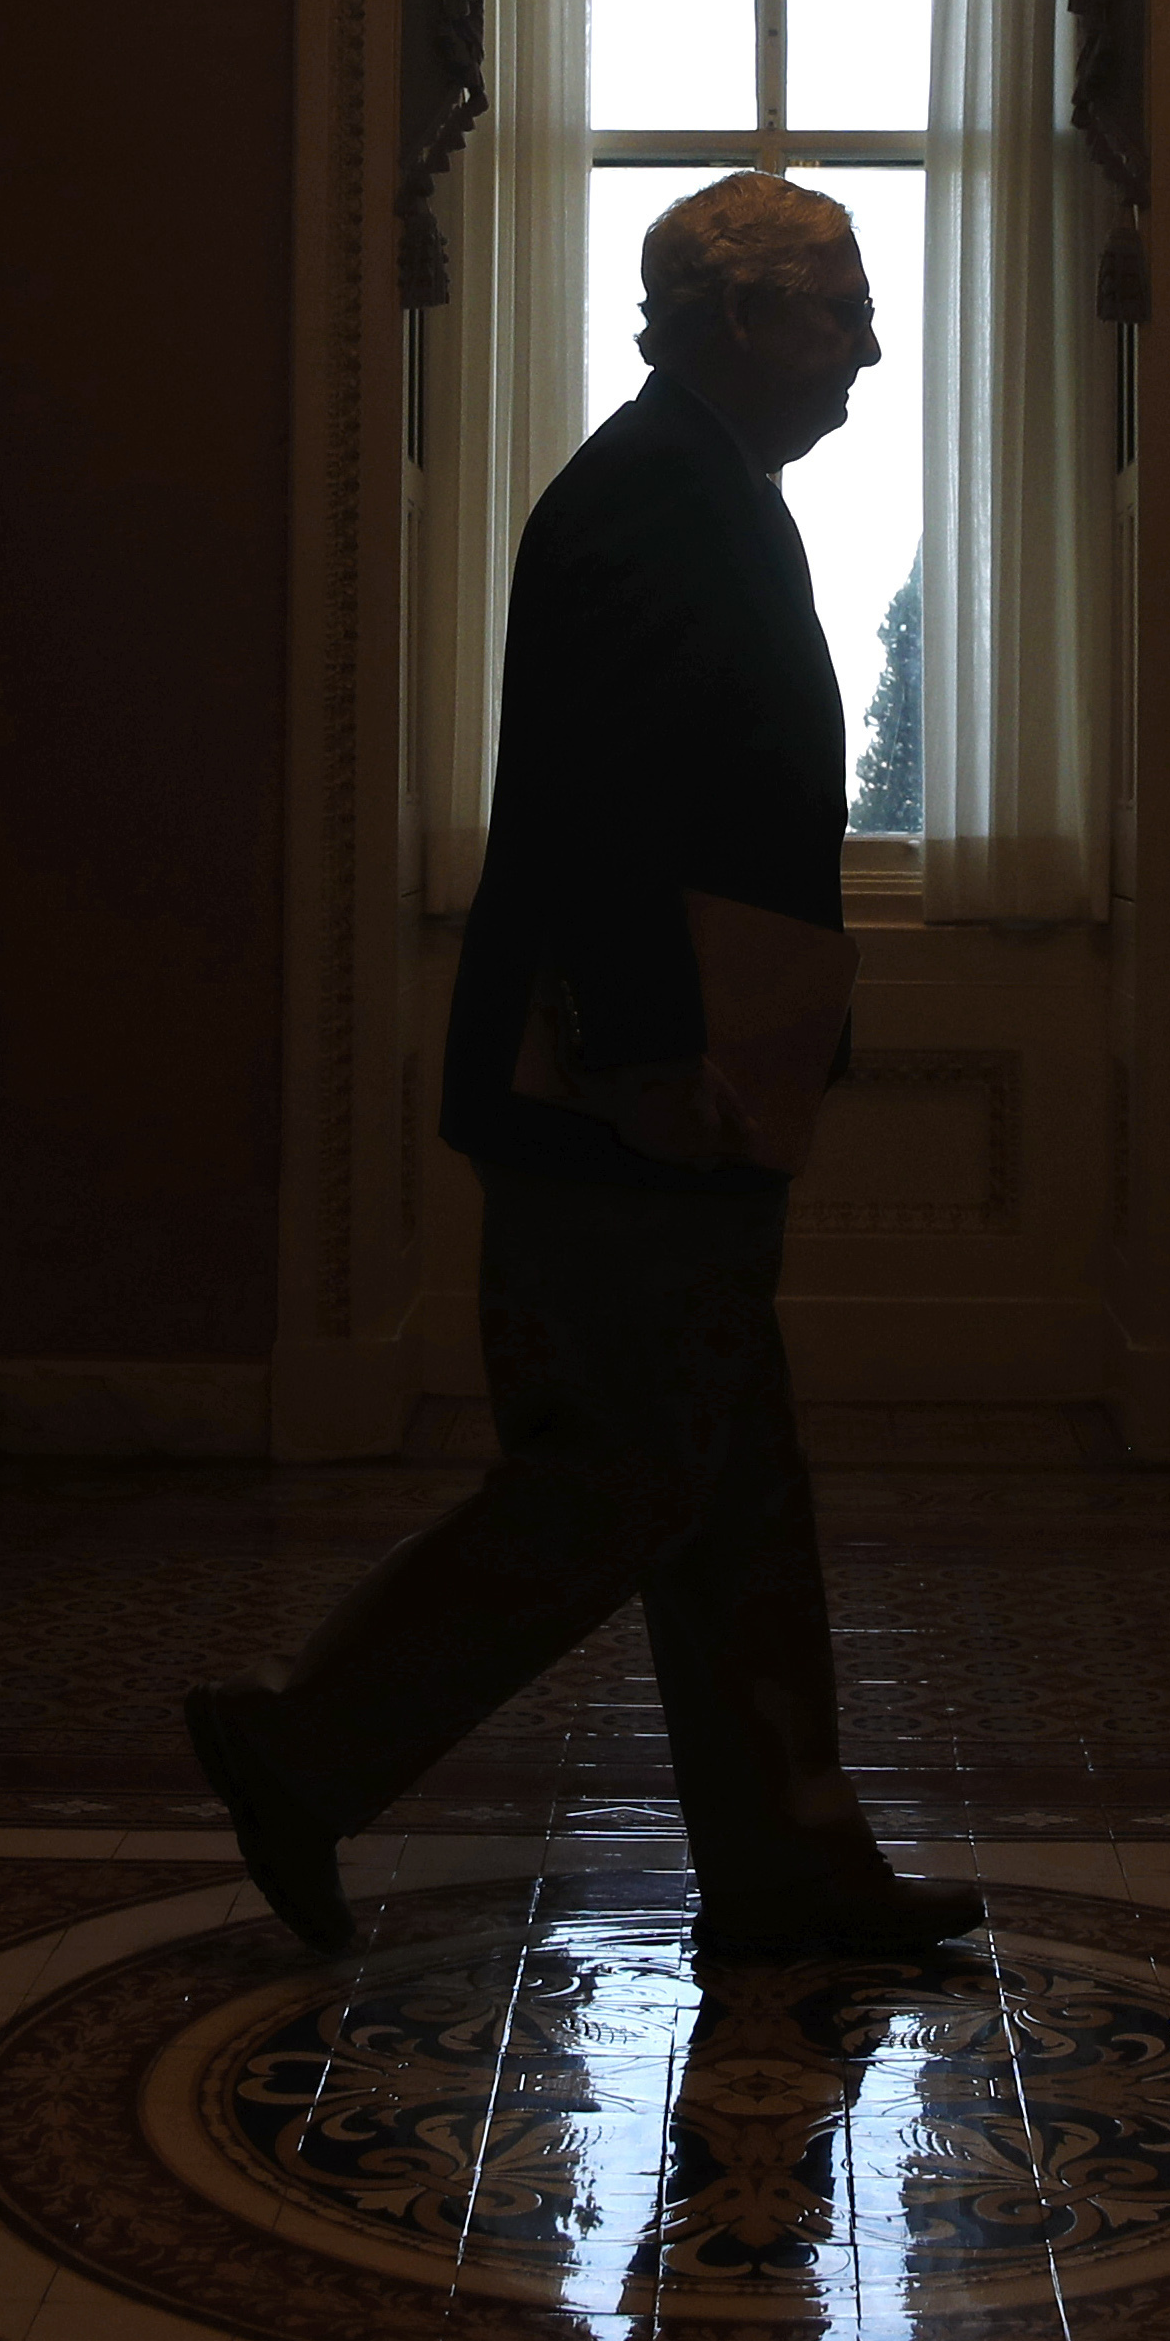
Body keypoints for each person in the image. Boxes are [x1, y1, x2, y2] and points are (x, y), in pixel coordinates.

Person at [186, 173, 982, 1961]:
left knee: (725, 1481)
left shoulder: (691, 487)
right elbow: (601, 818)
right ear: (740, 318)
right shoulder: (656, 503)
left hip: (656, 1085)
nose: (870, 340)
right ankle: (303, 1746)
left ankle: (791, 1858)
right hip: (625, 1099)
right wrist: (645, 1055)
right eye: (843, 304)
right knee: (622, 1476)